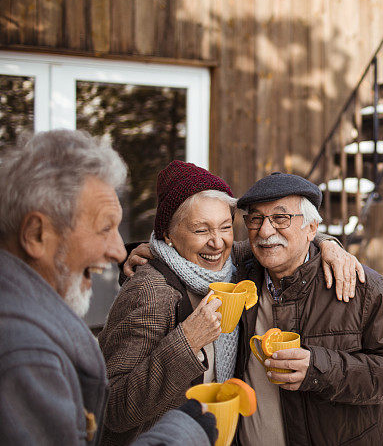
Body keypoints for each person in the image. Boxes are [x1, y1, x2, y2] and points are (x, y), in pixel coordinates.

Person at [99, 161, 362, 446]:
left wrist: (329, 244)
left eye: (225, 227)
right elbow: (110, 407)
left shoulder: (234, 263)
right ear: (168, 236)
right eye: (201, 231)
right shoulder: (149, 291)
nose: (217, 243)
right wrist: (186, 342)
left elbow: (282, 239)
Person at [0, 130, 216, 446]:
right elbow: (115, 407)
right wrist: (182, 432)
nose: (119, 250)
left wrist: (315, 243)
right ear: (36, 234)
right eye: (104, 228)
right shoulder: (27, 353)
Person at [233, 172, 383, 445]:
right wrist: (149, 252)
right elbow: (195, 249)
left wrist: (318, 368)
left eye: (280, 218)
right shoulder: (238, 277)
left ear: (311, 229)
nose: (265, 230)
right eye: (256, 219)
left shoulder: (363, 286)